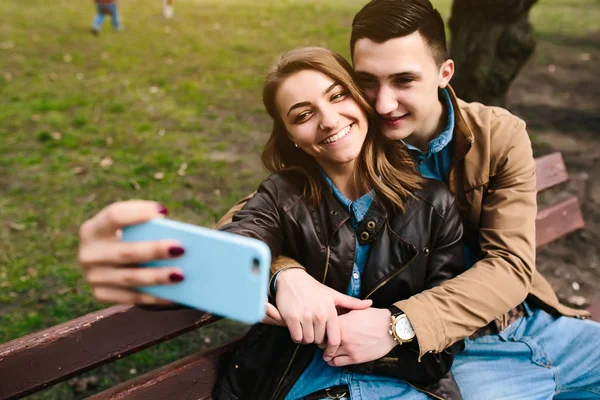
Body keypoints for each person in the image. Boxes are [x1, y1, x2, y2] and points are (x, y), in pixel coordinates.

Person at [216, 0, 600, 398]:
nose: (384, 103)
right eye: (367, 81)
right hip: (444, 352)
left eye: (404, 80)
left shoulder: (497, 136)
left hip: (507, 320)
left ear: (444, 73)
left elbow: (510, 265)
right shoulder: (352, 134)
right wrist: (284, 273)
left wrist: (399, 324)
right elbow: (253, 217)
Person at [78, 47, 466, 399]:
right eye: (303, 114)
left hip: (404, 388)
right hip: (297, 384)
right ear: (291, 136)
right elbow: (238, 241)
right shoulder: (282, 194)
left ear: (361, 100)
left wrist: (386, 338)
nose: (329, 121)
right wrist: (281, 276)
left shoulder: (434, 205)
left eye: (337, 96)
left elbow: (441, 345)